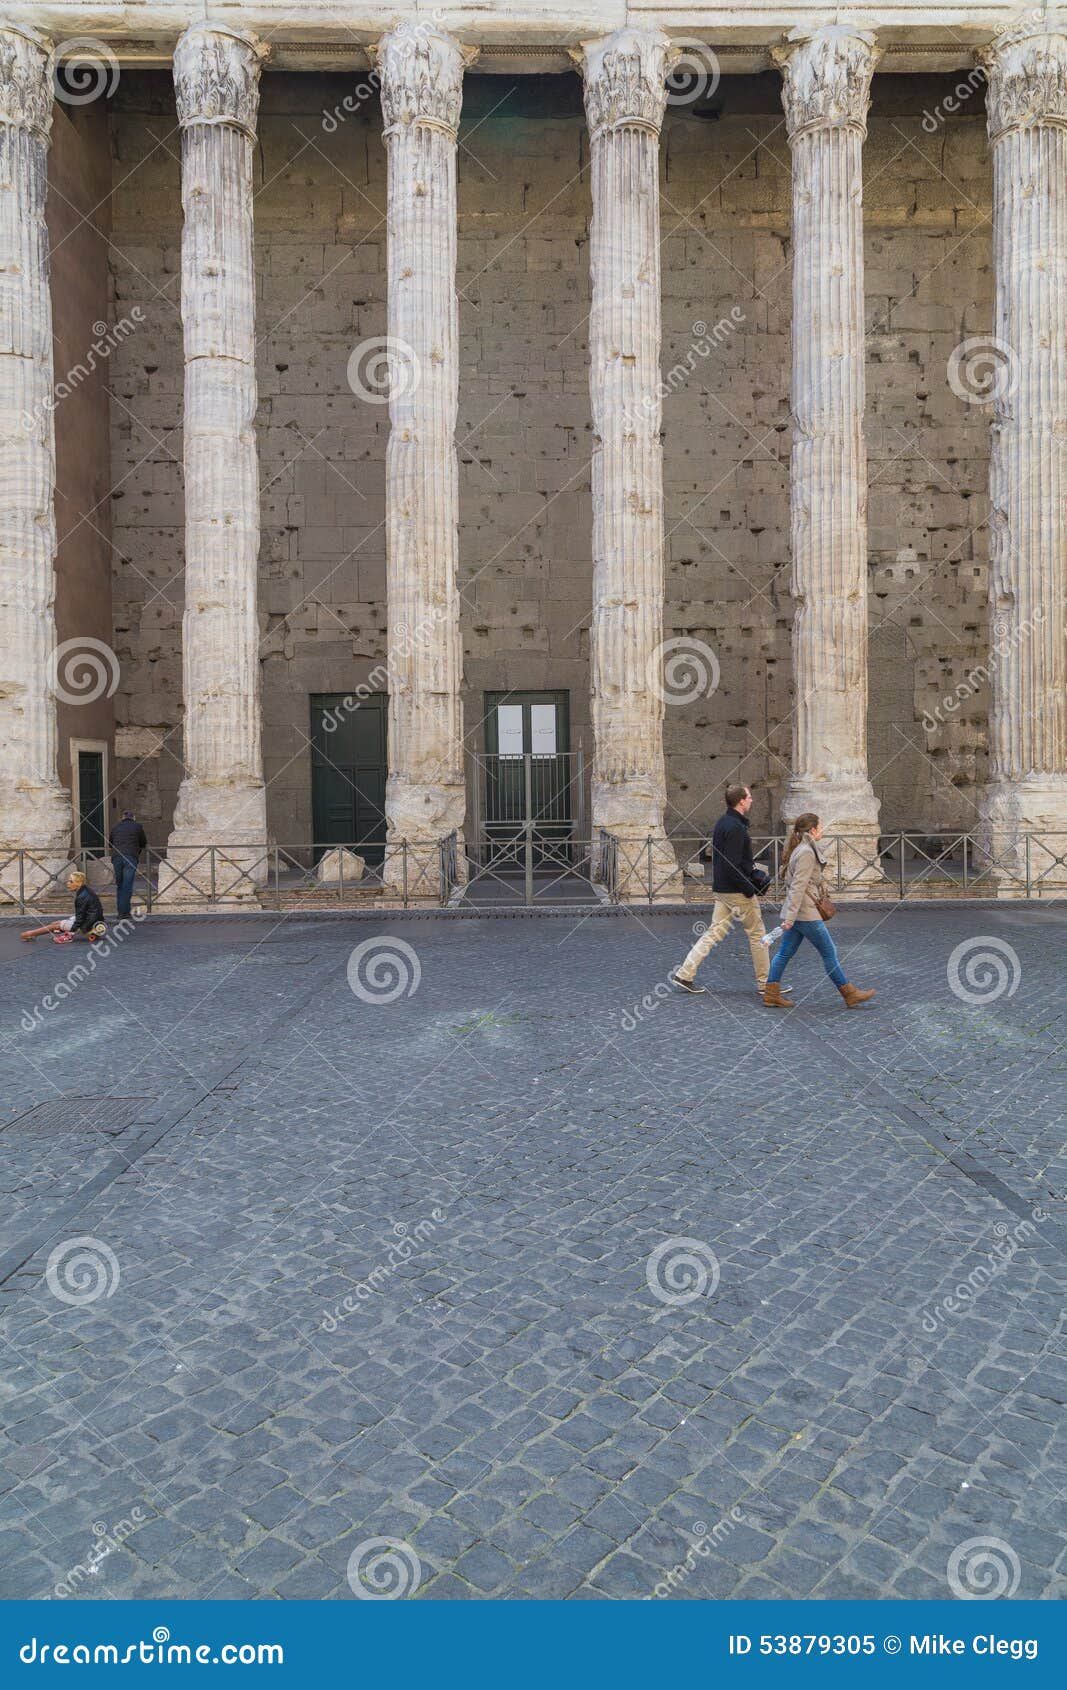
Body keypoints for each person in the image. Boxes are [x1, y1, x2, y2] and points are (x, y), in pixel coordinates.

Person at [672, 783, 776, 998]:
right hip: (737, 891)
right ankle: (766, 984)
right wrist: (749, 889)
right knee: (757, 934)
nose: (752, 800)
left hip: (723, 889)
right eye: (749, 797)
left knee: (712, 933)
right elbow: (732, 865)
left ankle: (684, 974)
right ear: (741, 801)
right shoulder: (736, 828)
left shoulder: (723, 823)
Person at [762, 813, 874, 1009]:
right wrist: (789, 918)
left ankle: (771, 994)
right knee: (829, 952)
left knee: (785, 952)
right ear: (812, 830)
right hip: (805, 912)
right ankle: (849, 994)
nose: (821, 830)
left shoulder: (801, 848)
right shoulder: (806, 851)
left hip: (798, 912)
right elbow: (798, 886)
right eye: (820, 827)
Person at [20, 872, 107, 944]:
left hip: (88, 924)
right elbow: (88, 913)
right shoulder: (85, 891)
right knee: (56, 923)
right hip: (92, 920)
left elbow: (81, 917)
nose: (68, 883)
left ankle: (30, 934)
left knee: (56, 926)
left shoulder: (82, 896)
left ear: (79, 883)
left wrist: (72, 930)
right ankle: (32, 934)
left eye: (71, 881)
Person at [109, 809, 147, 919]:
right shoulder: (137, 827)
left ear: (123, 818)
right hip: (130, 857)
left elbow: (110, 842)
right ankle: (124, 913)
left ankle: (121, 911)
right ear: (133, 817)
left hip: (117, 858)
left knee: (120, 885)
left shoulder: (116, 827)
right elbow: (143, 842)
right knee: (127, 885)